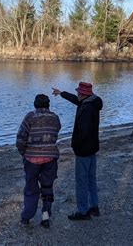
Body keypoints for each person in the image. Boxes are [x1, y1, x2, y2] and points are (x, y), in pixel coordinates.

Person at [52, 82, 103, 221]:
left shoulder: (86, 108)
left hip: (84, 149)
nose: (77, 95)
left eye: (78, 93)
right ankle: (94, 206)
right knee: (91, 178)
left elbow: (84, 132)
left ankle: (82, 211)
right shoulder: (91, 102)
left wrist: (75, 145)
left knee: (81, 181)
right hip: (92, 147)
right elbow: (76, 100)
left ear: (83, 94)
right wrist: (61, 93)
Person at [16, 94, 61, 228]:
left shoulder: (29, 117)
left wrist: (23, 153)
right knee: (47, 187)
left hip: (31, 158)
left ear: (35, 105)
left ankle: (27, 217)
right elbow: (56, 131)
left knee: (31, 188)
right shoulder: (55, 117)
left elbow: (20, 138)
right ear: (48, 105)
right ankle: (45, 217)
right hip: (50, 158)